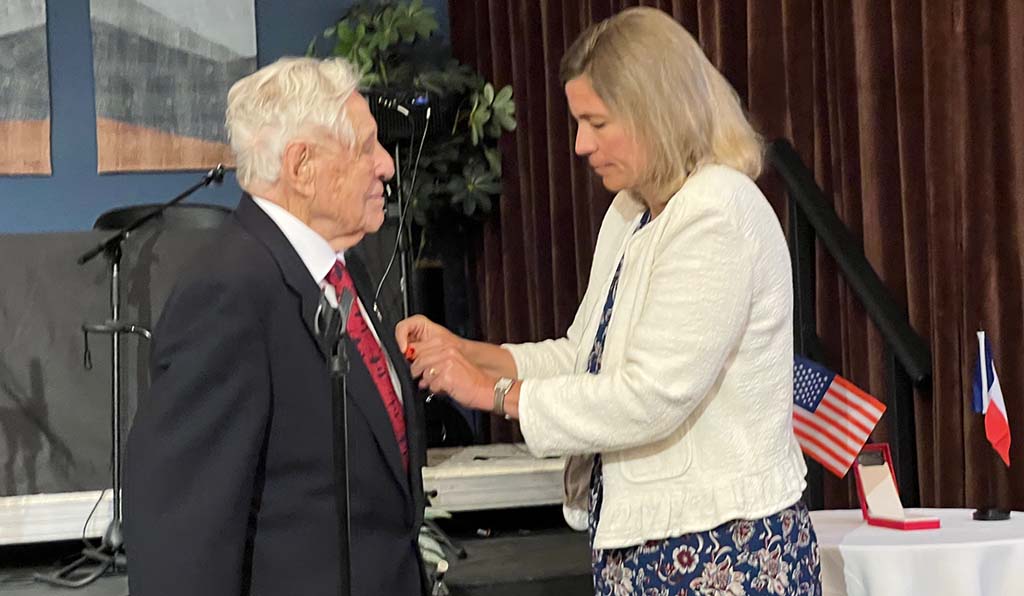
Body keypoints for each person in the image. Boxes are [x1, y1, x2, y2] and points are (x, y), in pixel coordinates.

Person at [396, 7, 821, 595]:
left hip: (720, 548)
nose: (579, 145)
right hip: (645, 539)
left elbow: (652, 394)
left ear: (656, 113)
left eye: (595, 122)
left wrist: (494, 395)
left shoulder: (717, 212)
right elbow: (584, 356)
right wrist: (468, 355)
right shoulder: (632, 210)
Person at [124, 57, 427, 596]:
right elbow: (181, 530)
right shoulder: (228, 292)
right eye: (365, 147)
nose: (385, 165)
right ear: (302, 165)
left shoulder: (338, 267)